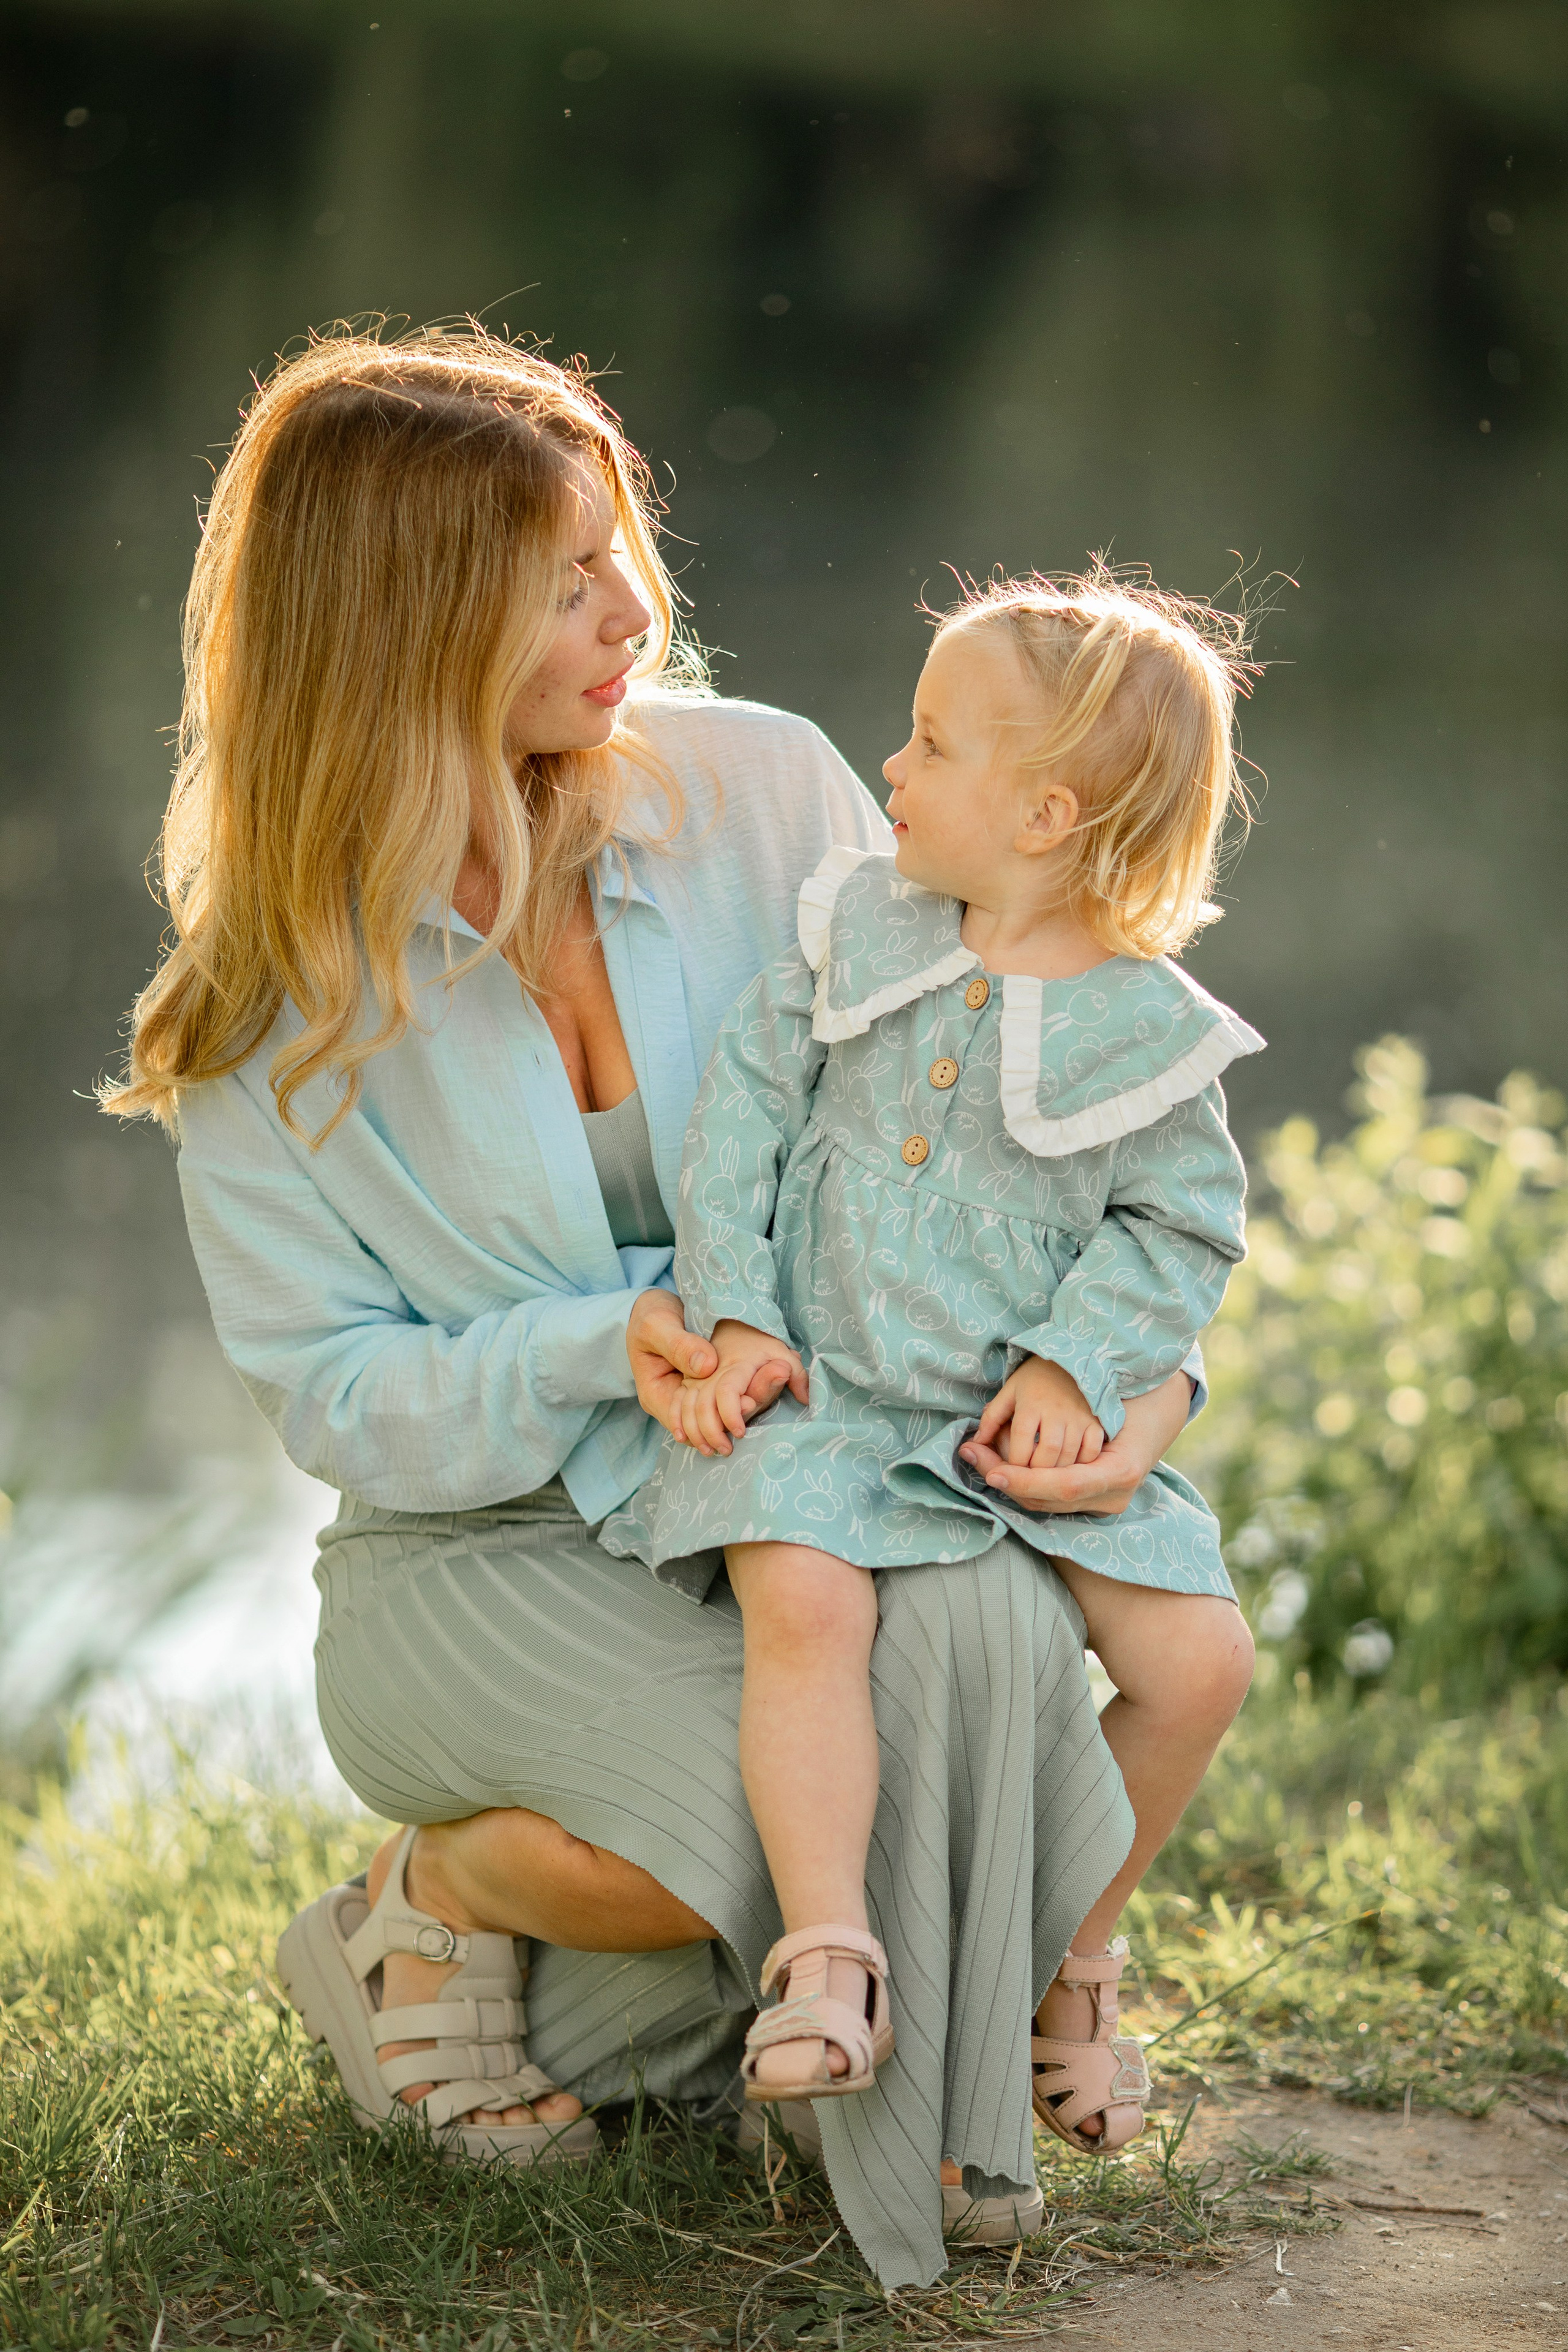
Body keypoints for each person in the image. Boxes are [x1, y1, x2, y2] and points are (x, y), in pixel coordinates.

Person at [102, 325, 1202, 2290]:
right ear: (406, 624)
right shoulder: (263, 1000)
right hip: (487, 1543)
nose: (634, 614)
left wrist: (1131, 1369)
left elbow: (1010, 1109)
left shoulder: (766, 793)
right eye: (565, 581)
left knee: (974, 1713)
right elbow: (338, 1397)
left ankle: (724, 2034)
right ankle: (433, 1896)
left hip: (803, 1482)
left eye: (624, 553)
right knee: (773, 1836)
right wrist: (599, 1343)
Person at [601, 571, 1261, 2147]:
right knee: (806, 1601)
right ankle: (825, 1954)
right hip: (828, 1405)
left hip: (1006, 1437)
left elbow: (1177, 1237)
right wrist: (740, 1310)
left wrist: (1076, 1367)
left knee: (1201, 1664)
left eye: (926, 744)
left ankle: (1066, 1953)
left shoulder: (1151, 1037)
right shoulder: (857, 933)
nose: (888, 771)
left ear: (1043, 814)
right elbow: (739, 1127)